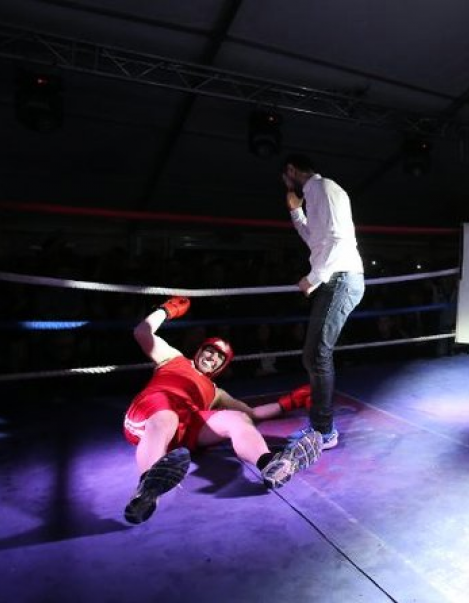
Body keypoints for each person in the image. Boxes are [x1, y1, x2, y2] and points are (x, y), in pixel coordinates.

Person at [122, 296, 322, 525]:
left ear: (221, 367)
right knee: (167, 416)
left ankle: (270, 465)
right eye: (210, 350)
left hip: (185, 428)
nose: (212, 357)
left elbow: (253, 414)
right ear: (200, 350)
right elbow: (141, 333)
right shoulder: (173, 358)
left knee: (238, 418)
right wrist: (165, 311)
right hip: (151, 413)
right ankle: (147, 489)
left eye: (219, 357)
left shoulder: (216, 392)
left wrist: (289, 402)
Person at [280, 154, 365, 450]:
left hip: (340, 277)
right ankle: (320, 426)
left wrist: (314, 277)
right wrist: (296, 213)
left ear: (291, 170)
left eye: (285, 176)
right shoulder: (316, 193)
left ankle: (324, 431)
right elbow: (317, 241)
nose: (284, 183)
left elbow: (339, 238)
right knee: (312, 355)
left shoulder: (322, 188)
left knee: (316, 354)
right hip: (335, 277)